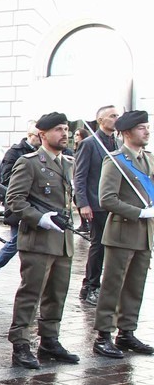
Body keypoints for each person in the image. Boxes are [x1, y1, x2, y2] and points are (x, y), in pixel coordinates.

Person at [5, 111, 78, 370]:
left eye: (66, 129)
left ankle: (49, 340)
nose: (64, 134)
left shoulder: (67, 163)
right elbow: (14, 200)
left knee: (57, 294)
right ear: (43, 134)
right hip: (38, 239)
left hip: (62, 240)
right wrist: (41, 218)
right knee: (31, 293)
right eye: (58, 129)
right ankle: (21, 344)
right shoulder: (30, 162)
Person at [92, 110, 154, 358]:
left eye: (148, 127)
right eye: (142, 128)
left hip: (144, 235)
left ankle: (126, 332)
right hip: (121, 232)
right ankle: (103, 335)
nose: (147, 131)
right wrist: (139, 213)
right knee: (112, 286)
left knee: (135, 287)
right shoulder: (115, 160)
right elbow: (107, 199)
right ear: (127, 133)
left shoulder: (148, 159)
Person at [73, 105, 120, 306]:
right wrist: (83, 204)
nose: (117, 118)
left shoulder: (117, 143)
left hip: (113, 204)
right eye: (112, 116)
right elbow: (80, 176)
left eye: (117, 115)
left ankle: (101, 285)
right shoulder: (90, 144)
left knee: (111, 246)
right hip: (96, 203)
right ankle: (90, 286)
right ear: (101, 120)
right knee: (98, 245)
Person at [0, 125, 41, 289]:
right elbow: (8, 180)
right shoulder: (15, 152)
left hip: (34, 205)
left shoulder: (40, 152)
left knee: (27, 244)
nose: (41, 139)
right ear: (31, 135)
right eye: (38, 135)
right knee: (17, 242)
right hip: (18, 204)